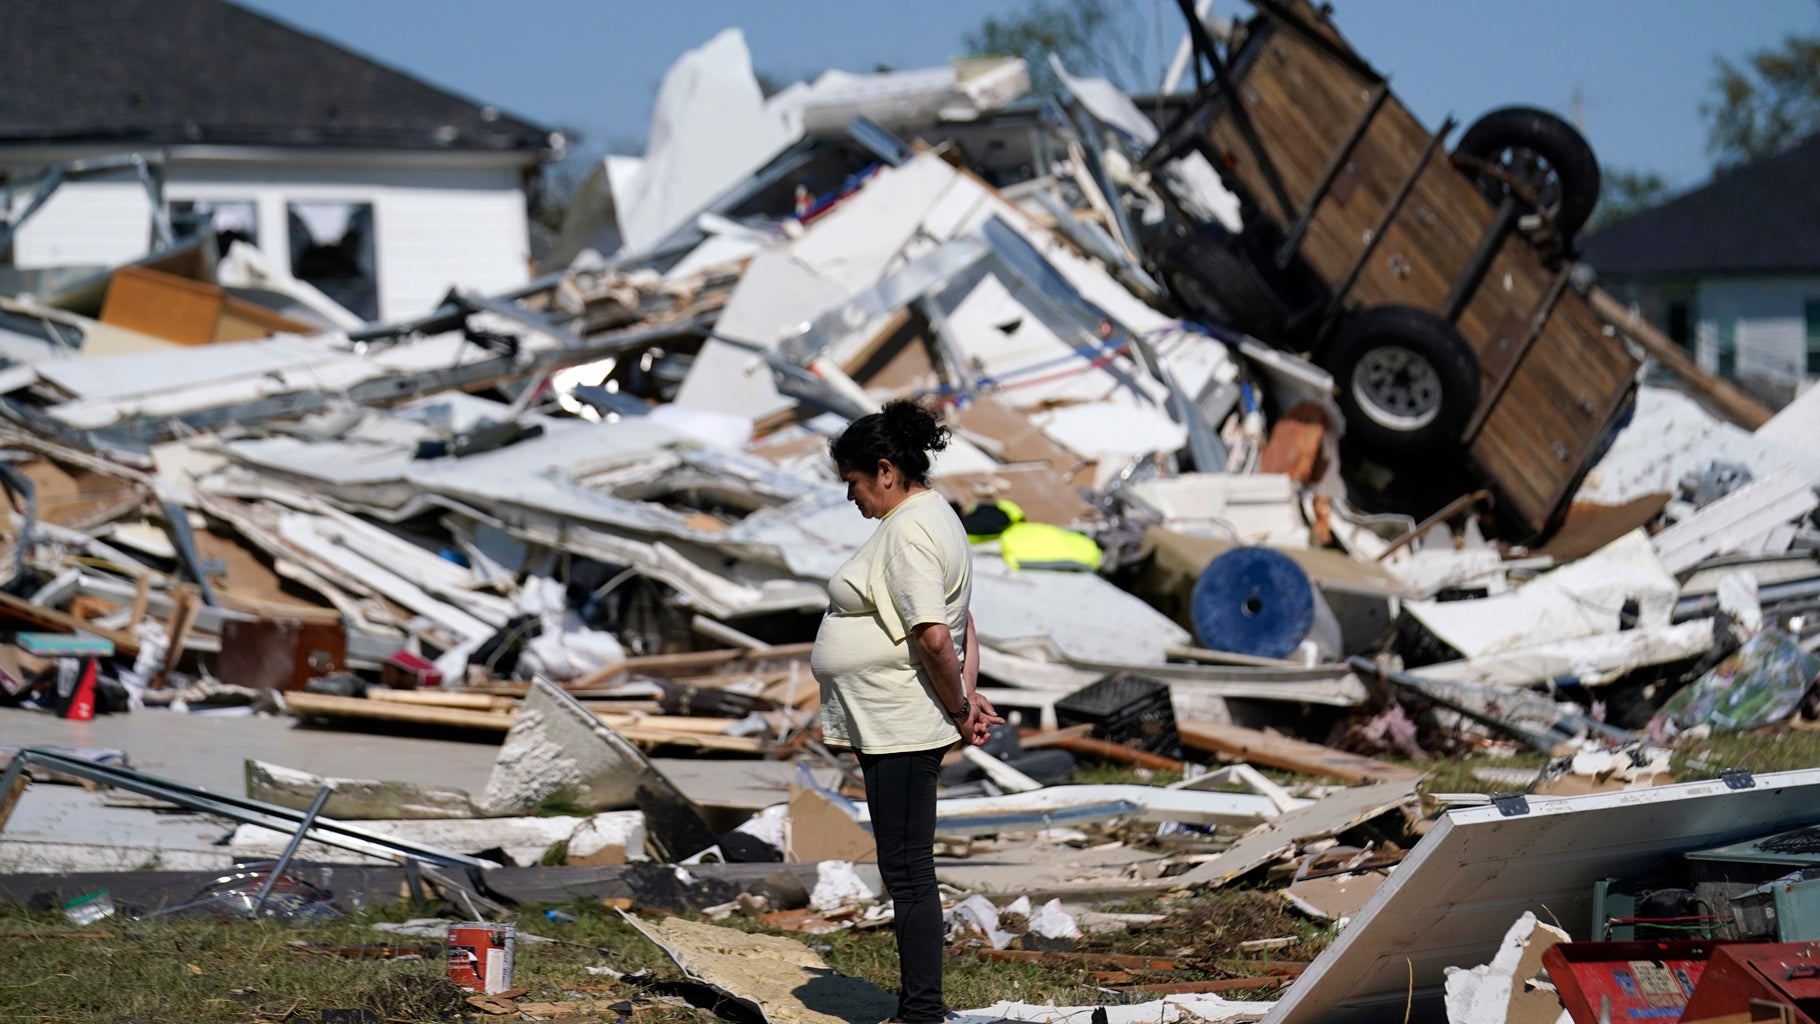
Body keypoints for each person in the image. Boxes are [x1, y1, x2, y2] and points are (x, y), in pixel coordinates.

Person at [810, 399, 1004, 1024]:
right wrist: (967, 696)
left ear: (886, 471)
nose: (852, 497)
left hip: (899, 722)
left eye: (855, 483)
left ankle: (921, 1013)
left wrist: (958, 708)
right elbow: (962, 615)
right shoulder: (932, 518)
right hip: (894, 718)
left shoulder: (909, 530)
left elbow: (935, 635)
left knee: (908, 872)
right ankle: (919, 1007)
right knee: (906, 867)